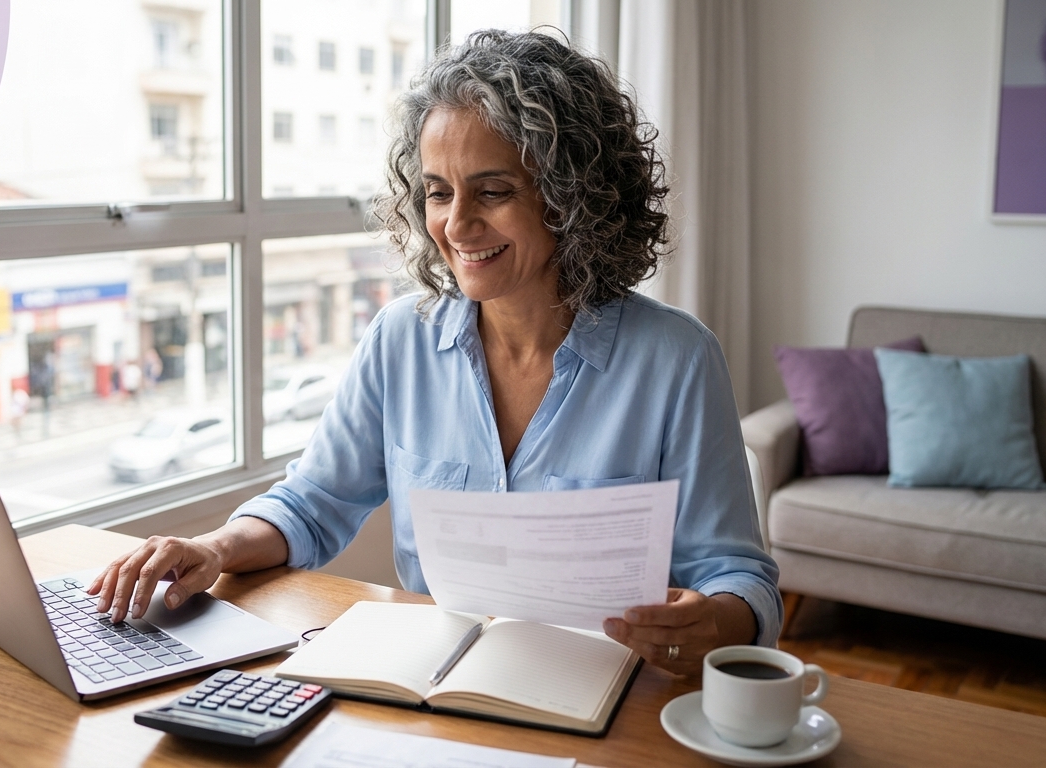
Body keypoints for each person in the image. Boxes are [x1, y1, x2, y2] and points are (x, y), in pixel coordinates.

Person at [89, 30, 780, 675]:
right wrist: (213, 548)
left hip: (608, 686)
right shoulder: (401, 340)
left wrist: (715, 622)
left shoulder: (677, 359)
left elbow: (738, 576)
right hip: (436, 685)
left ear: (574, 197)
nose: (457, 224)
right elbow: (314, 502)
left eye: (494, 191)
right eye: (438, 193)